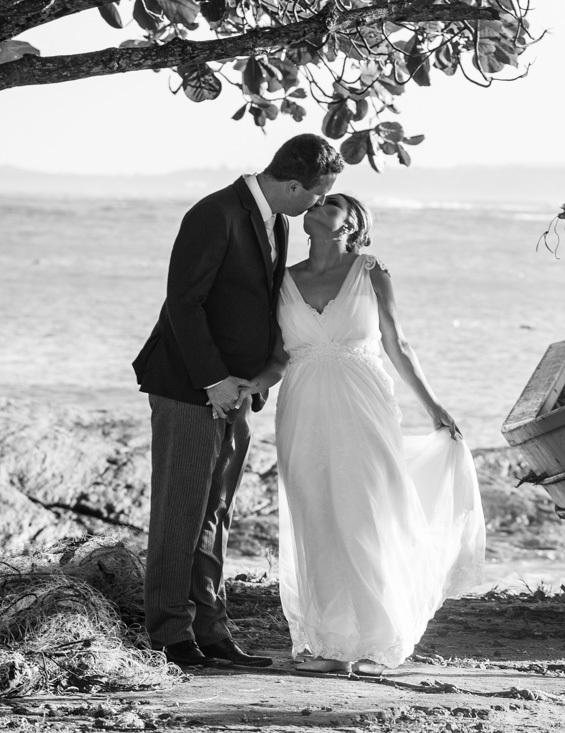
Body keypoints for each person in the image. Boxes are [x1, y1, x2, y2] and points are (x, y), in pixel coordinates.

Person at [244, 193, 485, 674]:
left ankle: (380, 641)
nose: (315, 206)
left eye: (329, 204)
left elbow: (397, 343)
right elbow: (277, 358)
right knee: (315, 516)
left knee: (365, 513)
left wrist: (433, 406)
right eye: (312, 203)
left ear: (351, 223)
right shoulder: (284, 280)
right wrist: (252, 385)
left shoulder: (371, 271)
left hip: (363, 402)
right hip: (302, 408)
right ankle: (331, 644)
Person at [132, 134, 344, 668]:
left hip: (237, 394)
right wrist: (213, 380)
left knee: (216, 515)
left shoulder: (278, 220)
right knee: (181, 514)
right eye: (318, 195)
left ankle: (212, 629)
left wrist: (256, 378)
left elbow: (253, 305)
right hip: (190, 388)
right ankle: (170, 636)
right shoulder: (215, 213)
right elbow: (184, 301)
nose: (319, 206)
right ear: (293, 184)